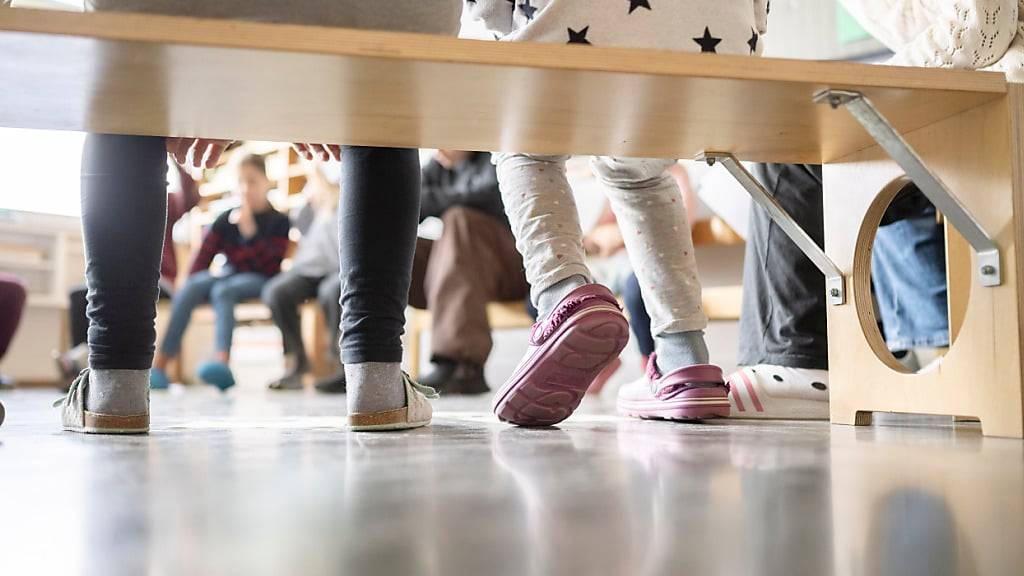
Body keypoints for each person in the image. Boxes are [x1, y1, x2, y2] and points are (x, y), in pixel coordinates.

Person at [43, 0, 462, 434]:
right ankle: (378, 387)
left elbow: (270, 254)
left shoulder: (275, 218)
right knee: (381, 96)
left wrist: (216, 104)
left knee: (125, 88)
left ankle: (115, 389)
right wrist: (300, 103)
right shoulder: (226, 218)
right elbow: (206, 251)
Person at [467, 0, 769, 426]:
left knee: (524, 143)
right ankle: (686, 361)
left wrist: (496, 22)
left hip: (578, 21)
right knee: (638, 172)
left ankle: (561, 295)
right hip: (721, 40)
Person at [149, 154, 290, 391]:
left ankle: (221, 362)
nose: (246, 189)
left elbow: (269, 265)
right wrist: (190, 281)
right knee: (194, 284)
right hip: (228, 275)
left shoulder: (279, 221)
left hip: (261, 278)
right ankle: (161, 366)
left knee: (223, 290)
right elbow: (202, 257)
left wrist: (249, 232)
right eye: (241, 182)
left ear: (266, 182)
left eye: (253, 181)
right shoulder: (225, 219)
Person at [56, 163, 200, 384]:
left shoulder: (163, 200)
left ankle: (94, 364)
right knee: (79, 293)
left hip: (160, 278)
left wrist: (176, 159)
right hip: (122, 274)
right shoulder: (116, 208)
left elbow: (191, 198)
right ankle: (81, 362)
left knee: (128, 286)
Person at [410, 150, 529, 396]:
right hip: (461, 269)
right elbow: (408, 203)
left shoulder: (493, 157)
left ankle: (462, 365)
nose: (437, 147)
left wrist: (434, 199)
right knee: (398, 246)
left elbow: (485, 197)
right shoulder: (437, 167)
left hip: (512, 269)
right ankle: (371, 359)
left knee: (460, 219)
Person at [263, 164, 344, 392]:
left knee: (333, 291)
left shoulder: (347, 196)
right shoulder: (311, 208)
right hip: (309, 270)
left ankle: (342, 367)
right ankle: (297, 364)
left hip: (338, 269)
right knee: (276, 292)